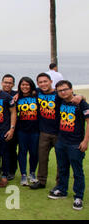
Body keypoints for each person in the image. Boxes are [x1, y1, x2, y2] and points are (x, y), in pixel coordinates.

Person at [49, 80, 89, 210]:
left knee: (77, 172)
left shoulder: (80, 103)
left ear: (71, 89)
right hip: (61, 141)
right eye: (60, 91)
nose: (63, 92)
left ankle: (78, 197)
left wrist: (85, 141)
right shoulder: (60, 101)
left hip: (75, 143)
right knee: (62, 168)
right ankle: (62, 190)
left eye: (65, 89)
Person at [16, 77, 40, 186]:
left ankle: (32, 173)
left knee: (34, 152)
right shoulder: (17, 98)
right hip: (22, 130)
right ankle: (23, 175)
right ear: (19, 86)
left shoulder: (37, 95)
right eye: (22, 85)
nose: (25, 87)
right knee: (22, 152)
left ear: (31, 86)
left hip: (35, 130)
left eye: (27, 85)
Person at [2, 74, 19, 180]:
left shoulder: (17, 95)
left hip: (13, 127)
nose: (7, 84)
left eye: (10, 83)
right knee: (1, 151)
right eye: (5, 82)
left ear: (13, 84)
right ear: (1, 83)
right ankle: (2, 168)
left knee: (11, 150)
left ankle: (11, 171)